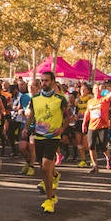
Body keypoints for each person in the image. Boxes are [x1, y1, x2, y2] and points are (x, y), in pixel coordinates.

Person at [28, 71, 68, 213]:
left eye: (46, 80)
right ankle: (55, 176)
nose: (44, 83)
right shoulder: (35, 98)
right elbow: (32, 115)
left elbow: (68, 116)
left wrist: (62, 129)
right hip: (39, 136)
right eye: (42, 80)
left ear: (53, 81)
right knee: (44, 170)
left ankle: (50, 199)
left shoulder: (60, 99)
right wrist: (26, 129)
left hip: (53, 137)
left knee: (45, 168)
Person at [82, 82, 111, 173]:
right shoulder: (90, 101)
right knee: (91, 146)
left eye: (99, 89)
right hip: (92, 126)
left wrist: (106, 87)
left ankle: (108, 157)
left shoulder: (105, 99)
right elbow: (87, 113)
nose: (97, 90)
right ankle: (95, 165)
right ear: (93, 90)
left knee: (102, 145)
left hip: (103, 125)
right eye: (96, 89)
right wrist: (84, 123)